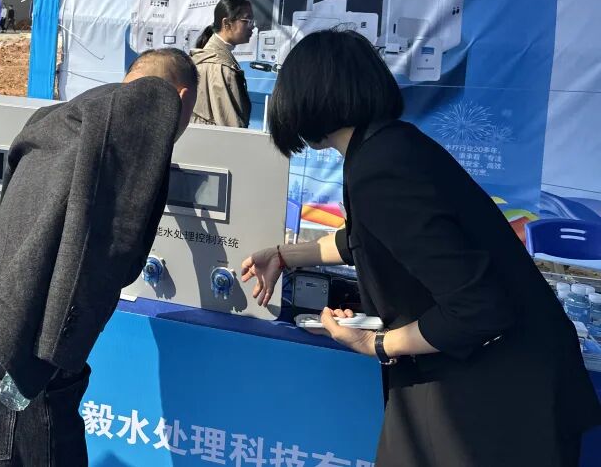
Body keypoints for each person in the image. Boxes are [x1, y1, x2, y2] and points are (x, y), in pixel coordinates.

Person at [239, 29, 601, 466]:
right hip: (488, 378)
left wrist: (376, 343)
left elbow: (479, 308)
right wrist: (283, 255)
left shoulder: (380, 167)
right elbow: (364, 237)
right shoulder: (387, 146)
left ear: (307, 98)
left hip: (500, 396)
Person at [0, 48, 198, 466]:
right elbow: (112, 253)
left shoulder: (61, 117)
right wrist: (52, 362)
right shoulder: (144, 113)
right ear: (182, 97)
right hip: (27, 358)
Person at [189, 0, 253, 127]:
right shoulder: (220, 66)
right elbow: (230, 126)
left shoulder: (211, 58)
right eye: (247, 20)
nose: (252, 26)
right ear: (227, 23)